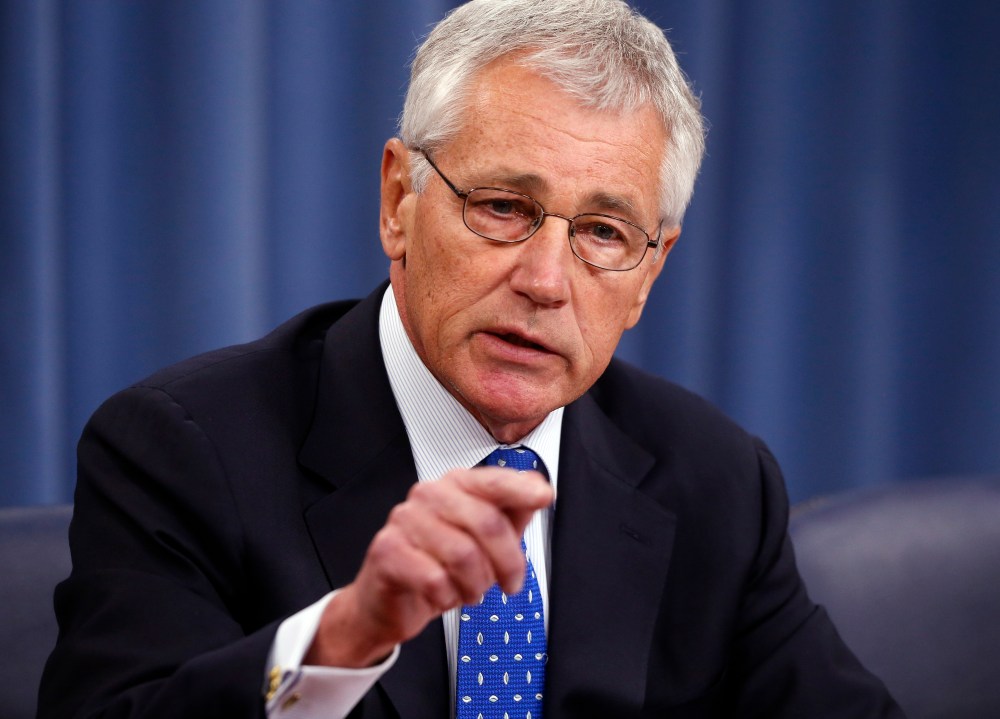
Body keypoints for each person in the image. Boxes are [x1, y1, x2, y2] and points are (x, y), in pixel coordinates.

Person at [39, 1, 904, 717]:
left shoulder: (715, 480)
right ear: (398, 201)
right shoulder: (184, 449)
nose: (545, 281)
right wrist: (343, 639)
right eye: (502, 206)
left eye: (604, 232)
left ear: (650, 272)